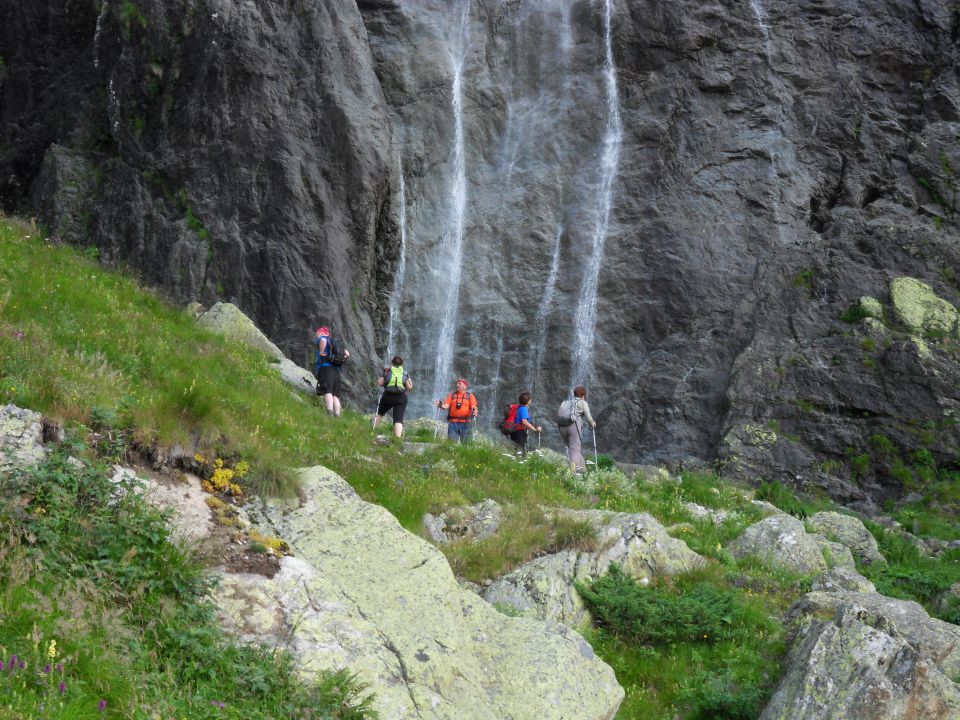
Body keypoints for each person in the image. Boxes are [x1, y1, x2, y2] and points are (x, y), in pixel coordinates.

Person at [557, 386, 596, 474]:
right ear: (583, 395)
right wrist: (592, 423)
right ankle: (573, 473)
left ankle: (583, 470)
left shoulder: (566, 402)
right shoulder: (582, 402)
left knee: (574, 449)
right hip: (573, 427)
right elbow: (589, 417)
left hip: (561, 426)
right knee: (574, 450)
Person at [374, 356, 414, 438]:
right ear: (402, 364)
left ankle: (373, 430)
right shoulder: (405, 373)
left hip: (387, 396)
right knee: (398, 419)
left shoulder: (387, 371)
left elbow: (380, 383)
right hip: (401, 397)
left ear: (392, 363)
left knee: (380, 413)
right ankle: (397, 439)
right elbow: (410, 387)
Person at [314, 326, 350, 416]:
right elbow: (347, 353)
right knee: (335, 395)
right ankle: (337, 415)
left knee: (328, 390)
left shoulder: (324, 338)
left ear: (321, 332)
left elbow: (323, 340)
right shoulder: (334, 342)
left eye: (317, 334)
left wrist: (321, 352)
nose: (316, 336)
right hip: (336, 370)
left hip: (326, 369)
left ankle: (329, 412)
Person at [436, 378, 478, 442]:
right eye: (457, 383)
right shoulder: (452, 395)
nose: (457, 385)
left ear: (465, 386)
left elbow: (473, 406)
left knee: (467, 444)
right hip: (453, 423)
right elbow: (446, 405)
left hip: (466, 423)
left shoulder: (470, 396)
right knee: (451, 443)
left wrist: (475, 410)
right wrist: (440, 405)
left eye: (459, 383)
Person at [509, 391, 542, 457]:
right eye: (530, 399)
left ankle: (517, 460)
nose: (531, 400)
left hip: (516, 431)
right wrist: (534, 429)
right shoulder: (524, 409)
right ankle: (518, 461)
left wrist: (535, 427)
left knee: (519, 450)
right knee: (520, 451)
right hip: (519, 433)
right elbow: (524, 421)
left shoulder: (520, 408)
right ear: (528, 401)